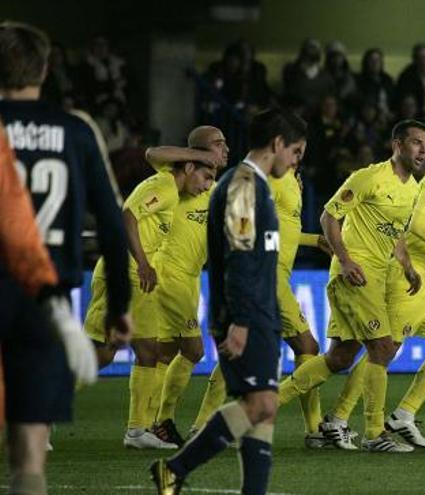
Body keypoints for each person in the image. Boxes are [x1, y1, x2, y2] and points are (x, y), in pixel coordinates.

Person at [0, 21, 131, 494]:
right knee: (30, 460)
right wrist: (120, 305)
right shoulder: (75, 130)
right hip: (45, 303)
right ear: (47, 68)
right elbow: (114, 227)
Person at [151, 108, 308, 493]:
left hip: (261, 313)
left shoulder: (252, 185)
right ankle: (174, 468)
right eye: (296, 151)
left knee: (264, 412)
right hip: (246, 316)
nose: (296, 162)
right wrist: (239, 320)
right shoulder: (241, 186)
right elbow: (239, 256)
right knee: (259, 406)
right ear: (277, 143)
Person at [321, 121, 425, 449]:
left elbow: (422, 225)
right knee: (383, 349)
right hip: (408, 277)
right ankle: (338, 419)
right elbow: (418, 222)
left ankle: (403, 414)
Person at [273, 120, 425, 453]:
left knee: (340, 357)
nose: (422, 150)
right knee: (383, 348)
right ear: (397, 144)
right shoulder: (368, 177)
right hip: (354, 275)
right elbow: (329, 217)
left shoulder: (413, 189)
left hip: (376, 276)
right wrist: (344, 259)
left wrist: (407, 265)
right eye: (416, 143)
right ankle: (375, 433)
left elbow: (395, 233)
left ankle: (268, 404)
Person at [83, 139, 217, 449]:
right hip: (128, 272)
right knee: (139, 352)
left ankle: (137, 431)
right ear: (188, 166)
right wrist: (144, 263)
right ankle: (135, 430)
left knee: (111, 352)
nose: (207, 185)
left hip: (127, 271)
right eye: (205, 177)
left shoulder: (172, 187)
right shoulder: (166, 186)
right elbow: (128, 214)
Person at [146, 127, 228, 447]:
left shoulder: (214, 188)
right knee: (194, 350)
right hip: (169, 273)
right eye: (218, 144)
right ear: (198, 151)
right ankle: (163, 420)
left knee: (166, 352)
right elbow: (152, 153)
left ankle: (148, 422)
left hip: (192, 279)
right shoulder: (180, 175)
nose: (226, 149)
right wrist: (197, 156)